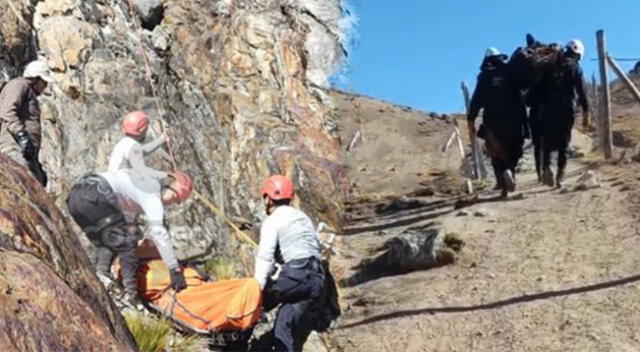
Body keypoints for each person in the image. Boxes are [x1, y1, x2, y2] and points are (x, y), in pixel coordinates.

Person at [67, 168, 193, 306]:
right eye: (175, 198)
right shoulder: (152, 192)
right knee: (126, 244)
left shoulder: (140, 181)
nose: (172, 203)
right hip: (96, 196)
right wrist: (174, 269)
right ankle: (131, 295)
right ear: (169, 186)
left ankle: (101, 276)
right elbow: (159, 233)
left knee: (108, 241)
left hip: (76, 198)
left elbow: (127, 220)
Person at [254, 175, 325, 352]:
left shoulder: (272, 221)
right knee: (284, 324)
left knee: (252, 307)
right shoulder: (303, 218)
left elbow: (265, 258)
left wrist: (256, 291)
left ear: (268, 199)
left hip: (295, 277)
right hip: (316, 281)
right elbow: (316, 246)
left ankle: (235, 346)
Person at [468, 47, 528, 197]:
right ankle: (510, 173)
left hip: (492, 121)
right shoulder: (511, 72)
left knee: (496, 153)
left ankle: (503, 182)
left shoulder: (484, 77)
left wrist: (471, 119)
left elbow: (476, 100)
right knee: (514, 149)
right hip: (514, 119)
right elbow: (523, 92)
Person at [538, 39, 589, 187]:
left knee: (546, 141)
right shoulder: (575, 67)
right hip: (566, 109)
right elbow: (581, 91)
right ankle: (560, 176)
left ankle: (546, 167)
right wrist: (585, 112)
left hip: (547, 107)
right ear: (578, 53)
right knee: (563, 144)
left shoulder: (552, 62)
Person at [0, 60, 54, 186]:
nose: (45, 86)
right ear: (35, 78)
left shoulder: (29, 92)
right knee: (21, 184)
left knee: (37, 185)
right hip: (14, 147)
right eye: (44, 82)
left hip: (26, 151)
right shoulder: (19, 85)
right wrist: (22, 136)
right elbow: (7, 111)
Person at [108, 110, 169, 179]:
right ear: (143, 130)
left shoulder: (125, 143)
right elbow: (142, 170)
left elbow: (142, 151)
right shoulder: (132, 146)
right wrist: (167, 175)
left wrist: (161, 139)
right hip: (121, 185)